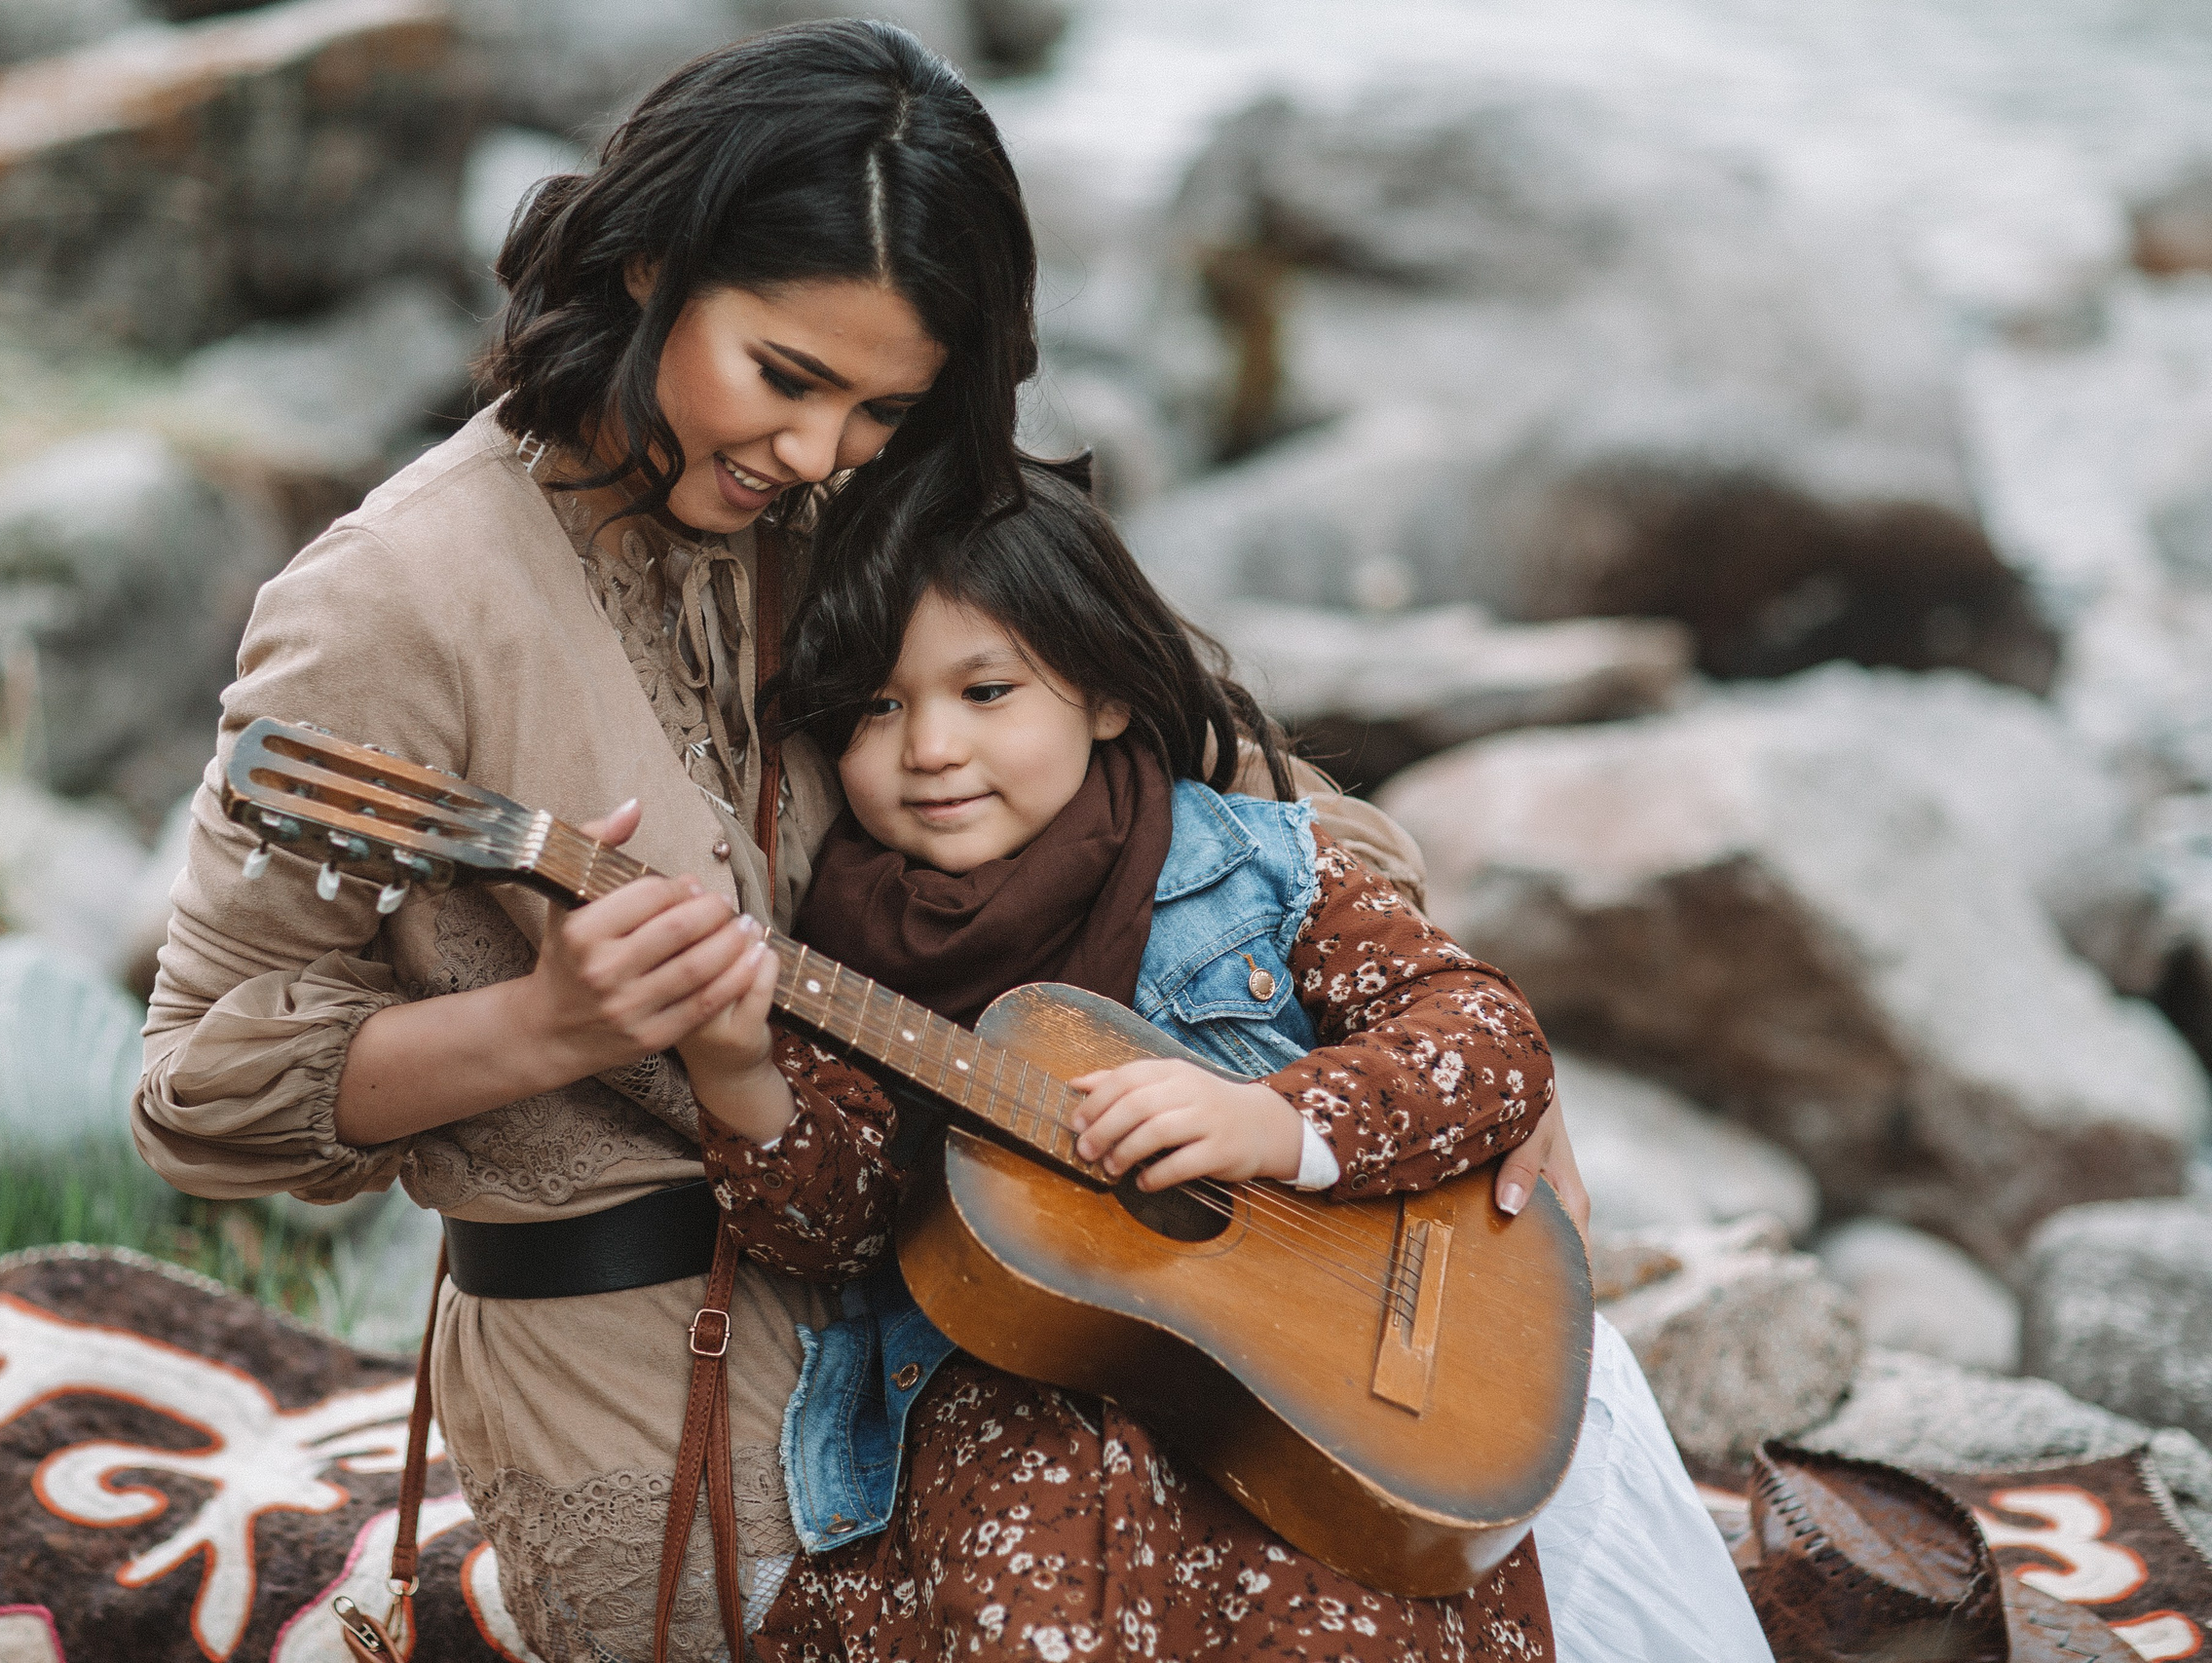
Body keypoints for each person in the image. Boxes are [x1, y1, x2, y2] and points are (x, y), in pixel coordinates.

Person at [131, 21, 1578, 1660]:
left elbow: (1229, 781)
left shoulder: (863, 499)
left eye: (882, 406)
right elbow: (200, 1090)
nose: (816, 454)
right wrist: (545, 1025)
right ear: (646, 264)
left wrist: (1436, 1111)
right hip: (643, 1368)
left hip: (1051, 1303)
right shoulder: (389, 604)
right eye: (786, 376)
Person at [674, 465, 1772, 1661]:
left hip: (1310, 1376)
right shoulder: (838, 961)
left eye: (985, 690)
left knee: (1337, 1625)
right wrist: (737, 1071)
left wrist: (1275, 1123)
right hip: (1006, 1396)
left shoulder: (1255, 869)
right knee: (1034, 1605)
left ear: (1098, 693)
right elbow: (829, 1227)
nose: (930, 747)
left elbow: (1481, 1033)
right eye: (874, 711)